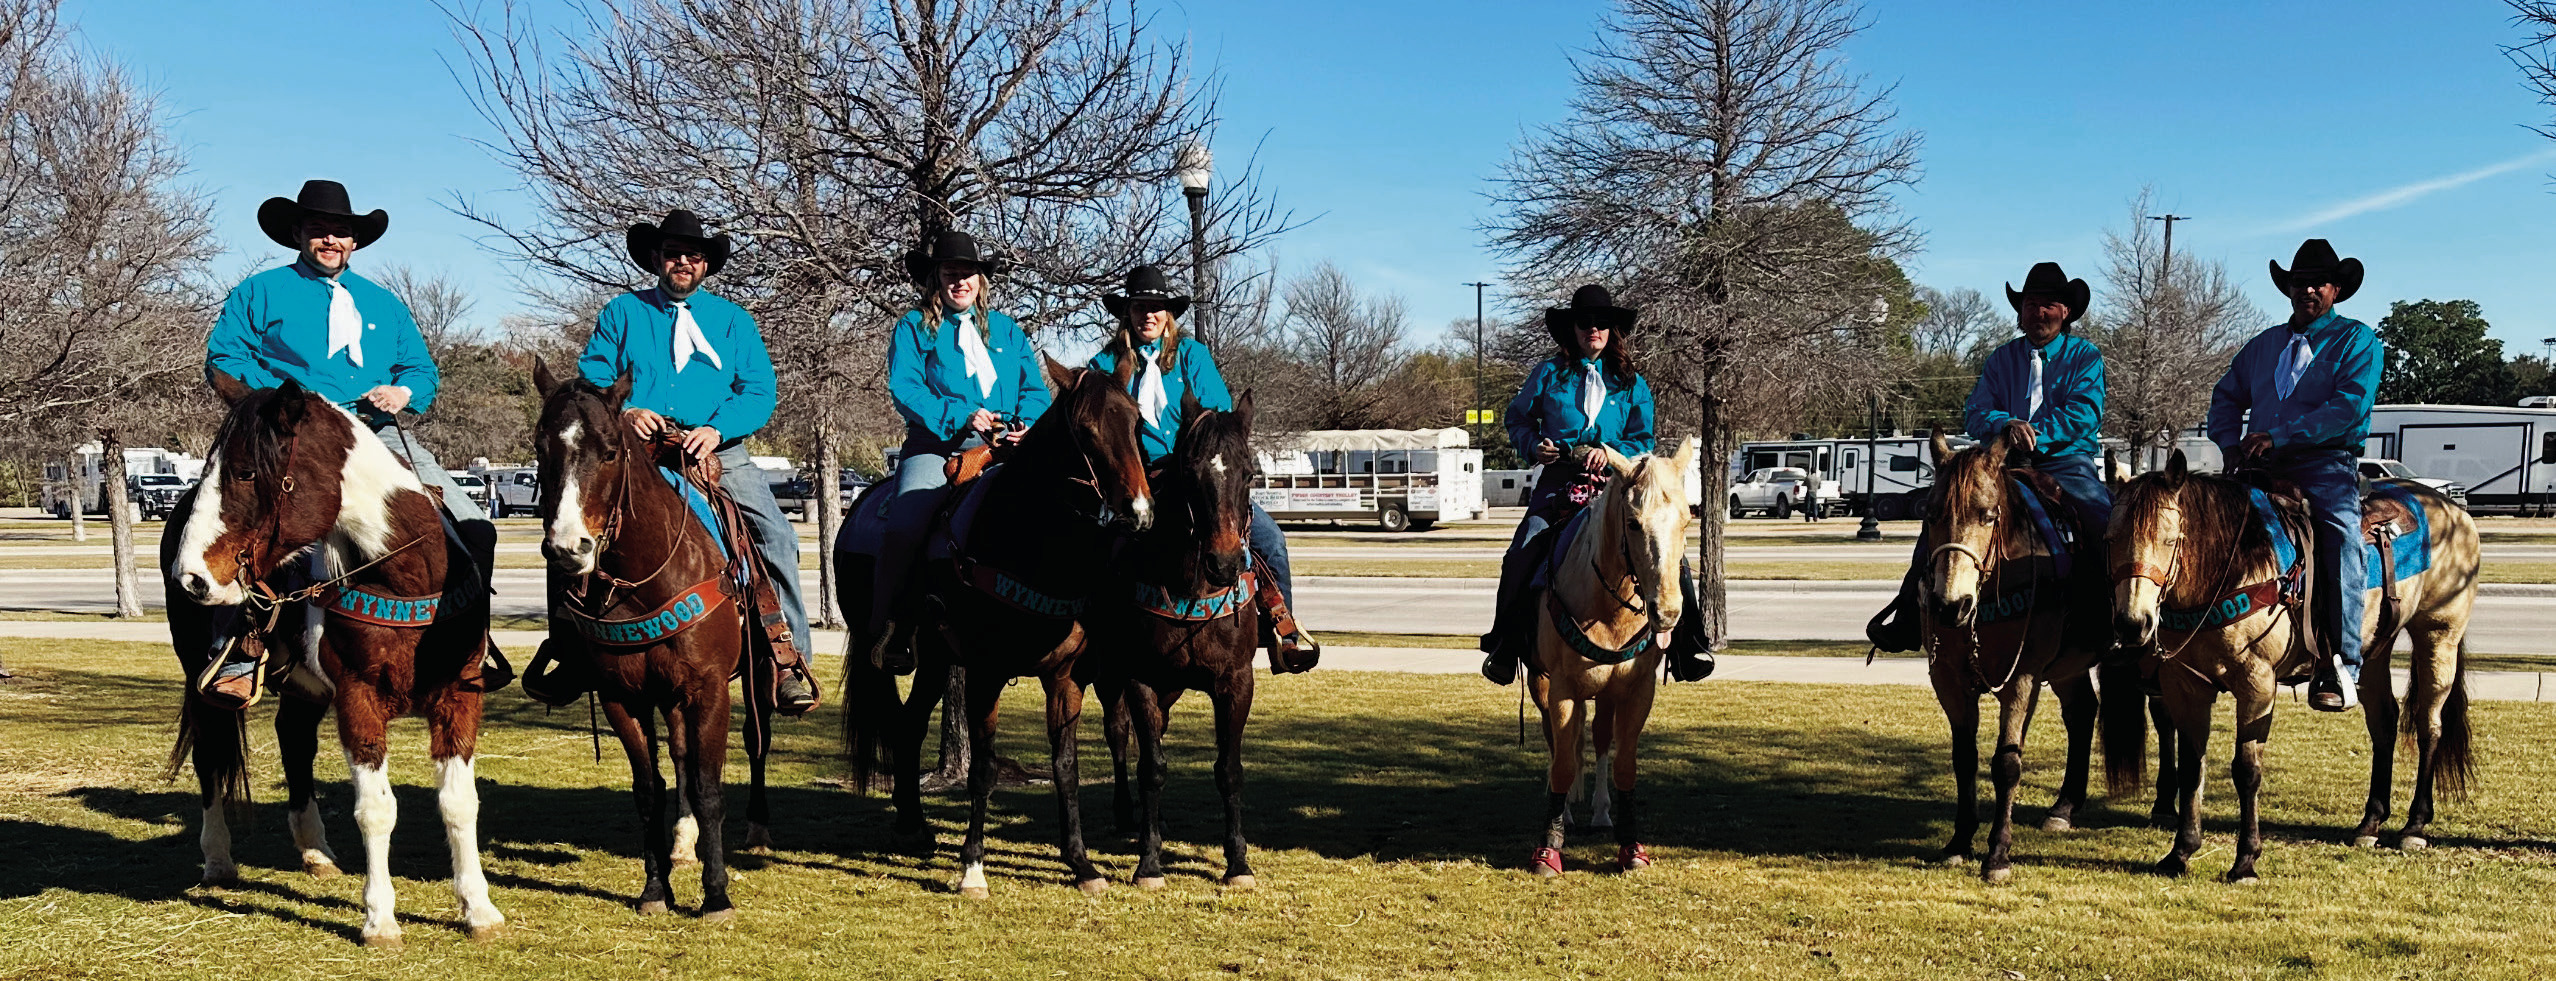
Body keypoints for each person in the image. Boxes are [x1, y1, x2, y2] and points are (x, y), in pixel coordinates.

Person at [205, 179, 510, 690]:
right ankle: (239, 647)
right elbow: (225, 360)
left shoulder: (383, 303)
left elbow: (420, 370)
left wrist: (403, 394)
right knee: (250, 527)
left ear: (355, 241)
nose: (331, 241)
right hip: (291, 438)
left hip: (376, 438)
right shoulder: (259, 292)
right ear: (298, 234)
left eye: (341, 233)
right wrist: (287, 403)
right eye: (320, 230)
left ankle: (468, 648)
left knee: (476, 527)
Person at [522, 209, 818, 713]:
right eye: (674, 254)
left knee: (777, 537)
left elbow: (759, 391)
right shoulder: (622, 313)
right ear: (657, 259)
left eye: (693, 256)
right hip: (640, 454)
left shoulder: (733, 321)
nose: (683, 262)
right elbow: (593, 377)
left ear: (706, 266)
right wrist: (627, 409)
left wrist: (717, 427)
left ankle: (786, 661)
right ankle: (570, 649)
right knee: (568, 533)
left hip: (716, 450)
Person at [1865, 261, 2112, 655]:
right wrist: (2005, 424)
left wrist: (2036, 434)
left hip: (2065, 462)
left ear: (2065, 312)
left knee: (2102, 519)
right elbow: (1977, 411)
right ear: (2020, 311)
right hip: (2002, 463)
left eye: (2048, 304)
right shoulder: (2001, 359)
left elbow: (2084, 412)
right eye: (2030, 304)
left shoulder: (2085, 356)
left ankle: (2107, 620)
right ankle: (1911, 617)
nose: (2038, 312)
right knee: (1942, 515)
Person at [1086, 265, 1319, 669]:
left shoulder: (1192, 355)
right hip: (1135, 477)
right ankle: (1098, 638)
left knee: (1270, 541)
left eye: (1156, 308)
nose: (1148, 315)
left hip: (1197, 475)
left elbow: (1218, 416)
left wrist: (1194, 451)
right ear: (1127, 312)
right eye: (1140, 306)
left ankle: (1283, 633)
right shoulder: (1105, 363)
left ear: (1168, 314)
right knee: (1101, 545)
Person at [1478, 285, 1712, 686]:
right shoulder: (1548, 374)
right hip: (1558, 486)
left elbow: (1643, 438)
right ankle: (1505, 645)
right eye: (1586, 323)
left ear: (1612, 330)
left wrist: (1611, 453)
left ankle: (1687, 645)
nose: (1594, 330)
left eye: (1602, 323)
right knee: (1521, 553)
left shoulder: (1632, 383)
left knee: (1676, 560)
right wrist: (1535, 445)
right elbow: (1516, 419)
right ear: (1573, 328)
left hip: (1616, 489)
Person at [838, 230, 1052, 669]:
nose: (960, 281)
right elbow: (906, 389)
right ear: (935, 278)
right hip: (937, 446)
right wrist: (961, 414)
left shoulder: (1009, 332)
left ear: (980, 280)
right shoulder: (912, 327)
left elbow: (1034, 389)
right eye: (950, 273)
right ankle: (892, 626)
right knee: (906, 522)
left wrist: (1027, 425)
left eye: (967, 273)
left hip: (1008, 449)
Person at [2207, 239, 2382, 712]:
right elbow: (2225, 397)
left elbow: (2348, 408)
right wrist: (2228, 445)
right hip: (2257, 465)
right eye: (2299, 282)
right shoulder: (2263, 345)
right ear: (2287, 288)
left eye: (2317, 282)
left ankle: (2342, 664)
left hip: (2325, 463)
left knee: (2342, 534)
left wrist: (2280, 435)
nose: (2307, 289)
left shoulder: (2357, 340)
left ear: (2335, 289)